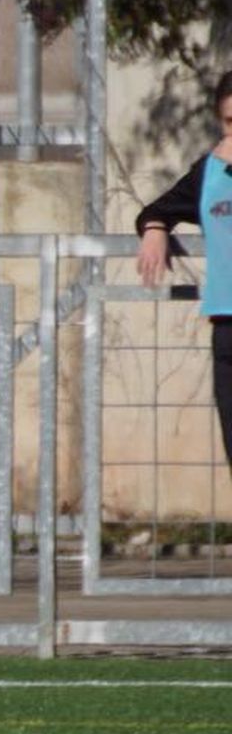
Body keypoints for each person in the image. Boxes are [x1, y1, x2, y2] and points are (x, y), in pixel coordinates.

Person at [136, 70, 232, 468]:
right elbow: (158, 209)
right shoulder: (209, 171)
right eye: (229, 122)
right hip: (227, 324)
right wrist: (155, 228)